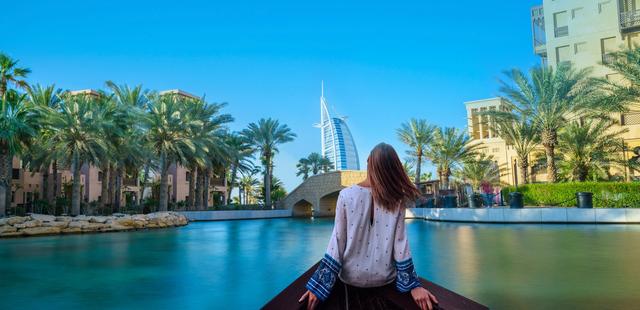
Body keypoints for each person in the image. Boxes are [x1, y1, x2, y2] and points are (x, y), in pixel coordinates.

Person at [298, 143, 439, 310]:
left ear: (367, 161)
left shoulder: (345, 195)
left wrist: (318, 287)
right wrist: (414, 285)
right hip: (385, 279)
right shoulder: (397, 200)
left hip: (351, 280)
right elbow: (401, 246)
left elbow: (337, 242)